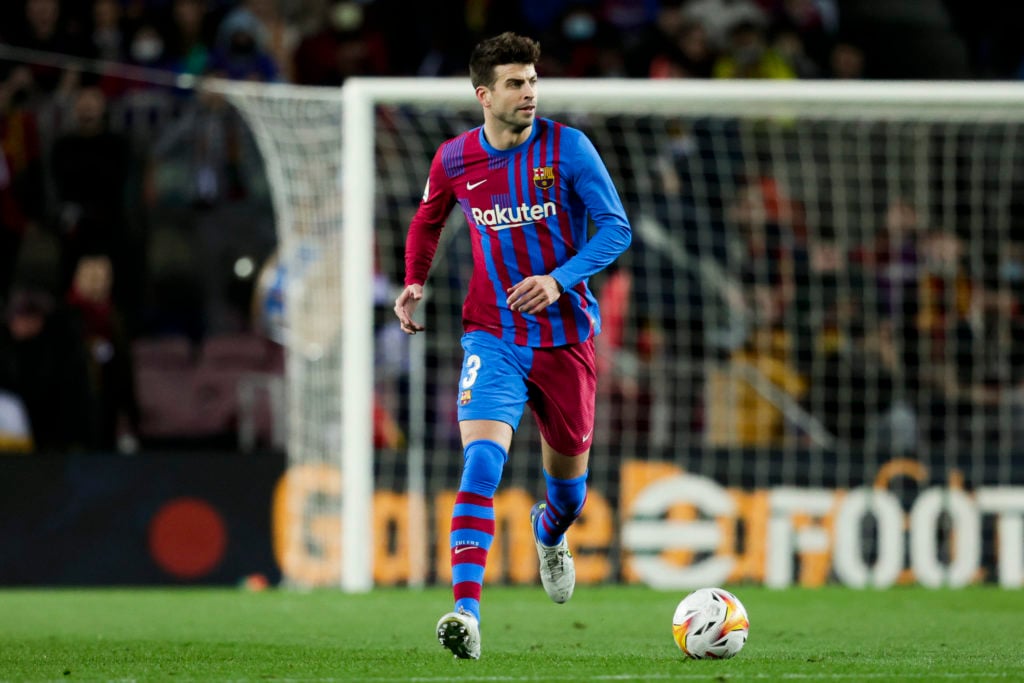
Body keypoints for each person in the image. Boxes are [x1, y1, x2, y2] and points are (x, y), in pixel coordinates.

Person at [393, 31, 631, 660]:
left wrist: (558, 280)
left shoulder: (569, 148)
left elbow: (616, 229)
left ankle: (549, 536)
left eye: (532, 81)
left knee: (569, 495)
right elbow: (427, 218)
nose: (529, 92)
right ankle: (465, 614)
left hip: (566, 340)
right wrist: (415, 280)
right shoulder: (454, 159)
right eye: (515, 83)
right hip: (492, 334)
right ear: (484, 95)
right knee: (480, 464)